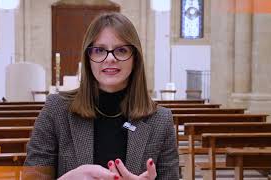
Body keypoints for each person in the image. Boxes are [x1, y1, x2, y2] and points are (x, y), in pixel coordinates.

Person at [24, 12, 179, 180]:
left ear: (135, 57)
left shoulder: (160, 120)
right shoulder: (56, 109)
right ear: (88, 57)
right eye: (99, 50)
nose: (110, 58)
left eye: (121, 50)